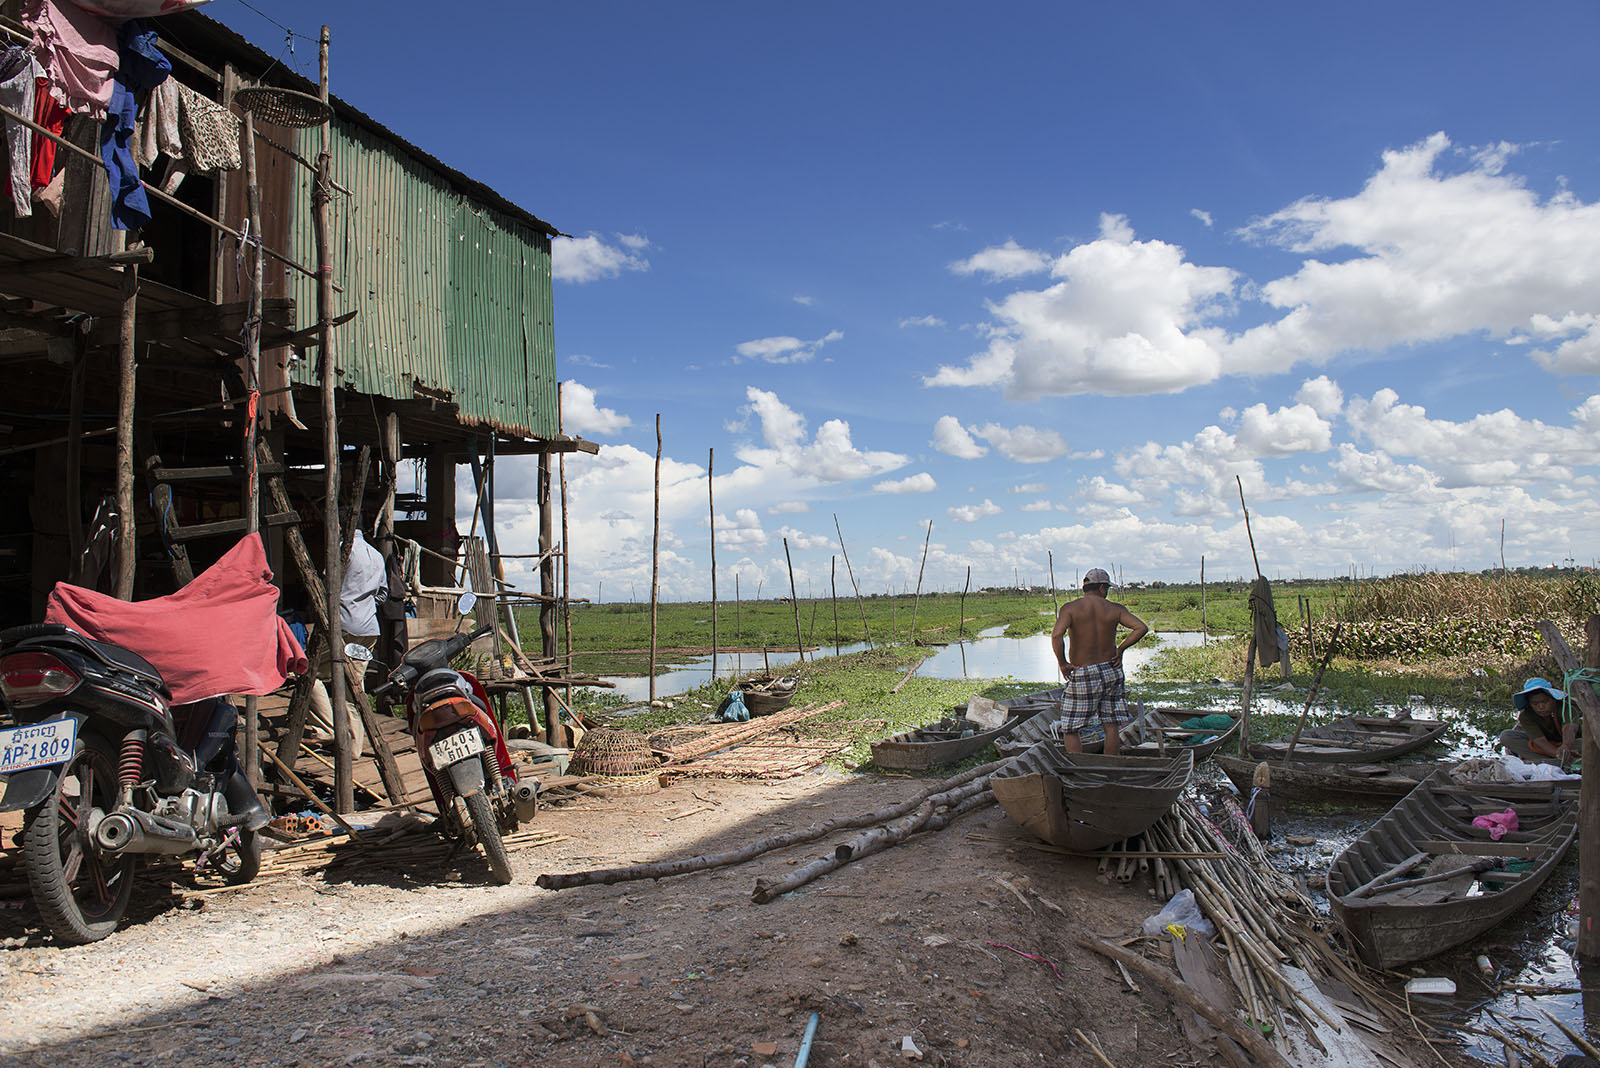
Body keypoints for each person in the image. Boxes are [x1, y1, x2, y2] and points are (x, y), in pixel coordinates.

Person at [1050, 567, 1149, 754]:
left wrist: (1062, 663)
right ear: (1103, 588)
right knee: (1111, 724)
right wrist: (1120, 649)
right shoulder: (1115, 609)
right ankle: (1111, 766)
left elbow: (1056, 636)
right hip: (1111, 670)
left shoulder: (1070, 608)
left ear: (1085, 588)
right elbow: (1141, 628)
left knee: (1071, 728)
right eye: (1107, 589)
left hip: (1084, 672)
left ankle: (1078, 769)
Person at [1498, 677, 1577, 764]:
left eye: (1545, 702)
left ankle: (1552, 762)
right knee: (1506, 736)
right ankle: (1557, 761)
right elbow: (1540, 741)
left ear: (1553, 699)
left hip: (1569, 745)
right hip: (1545, 749)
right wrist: (1558, 754)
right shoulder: (1526, 716)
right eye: (1535, 704)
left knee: (1583, 744)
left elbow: (1569, 729)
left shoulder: (1566, 708)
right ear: (1530, 704)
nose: (1541, 707)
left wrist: (1565, 746)